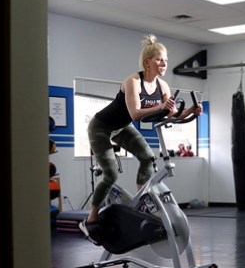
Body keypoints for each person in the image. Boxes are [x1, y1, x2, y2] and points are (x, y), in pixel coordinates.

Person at [79, 34, 202, 241]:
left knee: (148, 157)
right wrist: (162, 107)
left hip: (121, 127)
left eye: (165, 60)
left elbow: (171, 113)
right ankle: (90, 220)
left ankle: (141, 201)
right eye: (159, 59)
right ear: (147, 62)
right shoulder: (133, 82)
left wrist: (190, 110)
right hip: (101, 127)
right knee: (110, 175)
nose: (163, 64)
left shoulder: (163, 86)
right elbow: (136, 113)